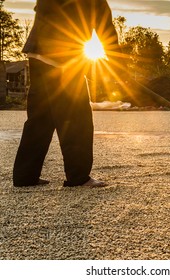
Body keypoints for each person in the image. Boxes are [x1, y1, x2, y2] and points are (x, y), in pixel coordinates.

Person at [13, 0, 122, 187]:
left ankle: (25, 176)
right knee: (77, 117)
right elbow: (104, 26)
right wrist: (119, 64)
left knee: (40, 118)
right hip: (61, 58)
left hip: (38, 52)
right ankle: (79, 177)